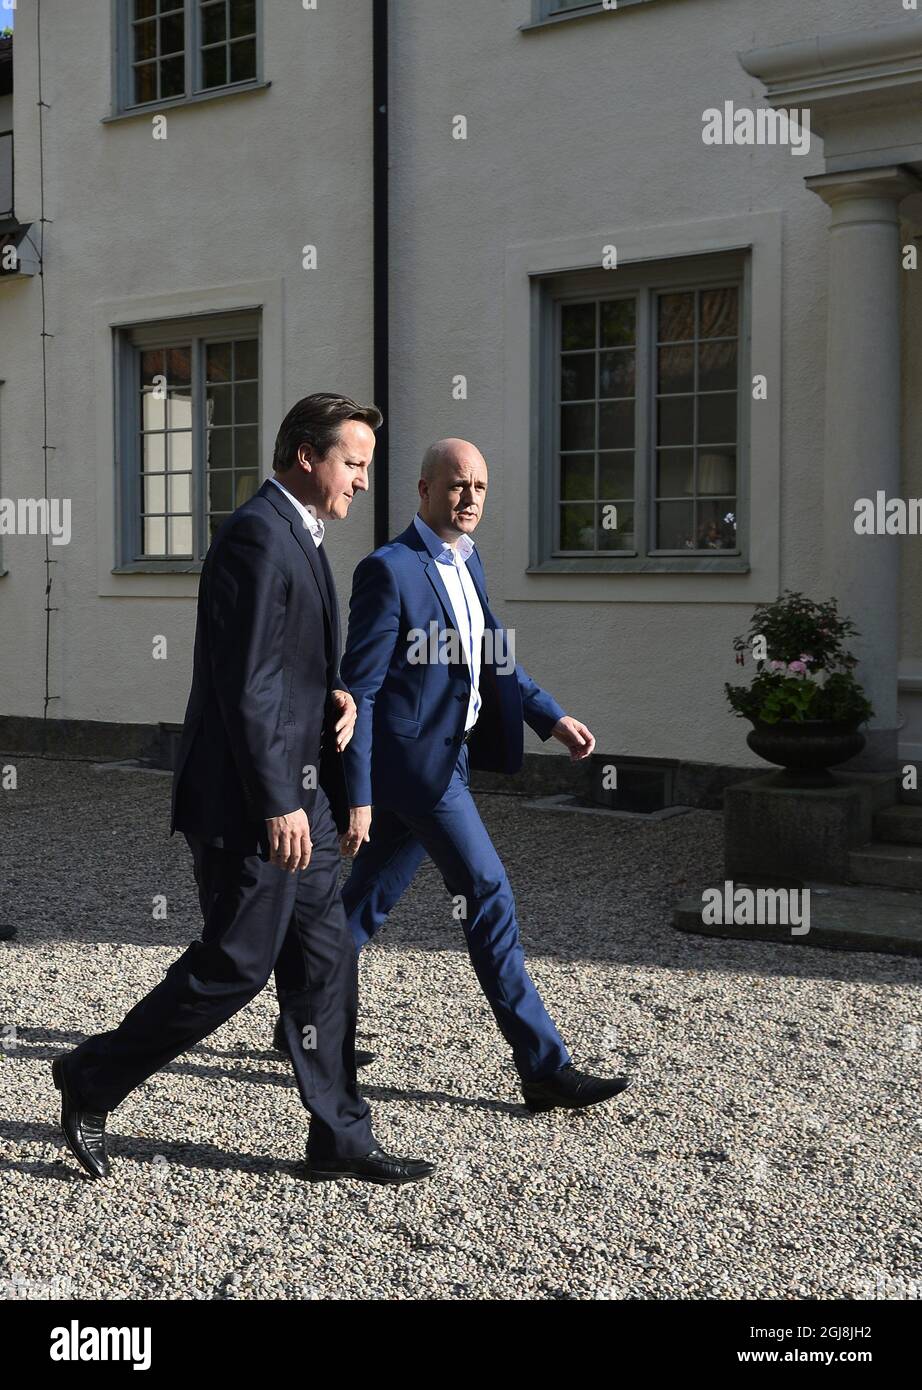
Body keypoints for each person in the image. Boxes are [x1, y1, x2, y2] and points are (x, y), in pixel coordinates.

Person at [51, 394, 435, 1186]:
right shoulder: (257, 535)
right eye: (354, 462)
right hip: (256, 803)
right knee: (234, 966)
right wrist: (277, 801)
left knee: (327, 964)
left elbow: (283, 668)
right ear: (305, 455)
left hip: (307, 799)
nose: (364, 480)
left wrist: (334, 696)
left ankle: (340, 1138)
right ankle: (90, 1079)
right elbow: (244, 682)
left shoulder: (302, 532)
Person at [287, 438, 630, 1114]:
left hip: (450, 758)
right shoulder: (390, 570)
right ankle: (543, 1067)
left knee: (359, 907)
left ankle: (302, 1024)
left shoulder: (467, 565)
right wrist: (356, 793)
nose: (469, 498)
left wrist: (552, 717)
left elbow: (493, 655)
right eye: (456, 485)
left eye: (479, 486)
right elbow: (361, 691)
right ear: (423, 490)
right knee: (488, 894)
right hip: (419, 775)